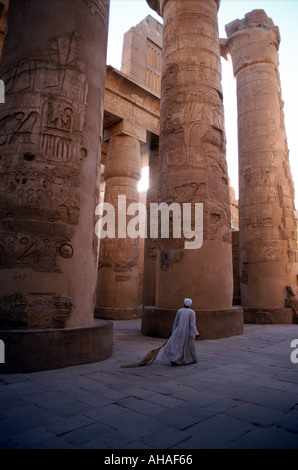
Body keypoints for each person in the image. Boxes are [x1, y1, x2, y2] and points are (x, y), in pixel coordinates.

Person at [162, 298, 199, 366]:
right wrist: (195, 333)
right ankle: (181, 359)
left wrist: (174, 331)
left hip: (178, 330)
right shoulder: (192, 312)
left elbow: (176, 322)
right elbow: (192, 324)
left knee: (177, 345)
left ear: (184, 303)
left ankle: (176, 359)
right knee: (186, 346)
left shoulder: (180, 311)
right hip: (187, 332)